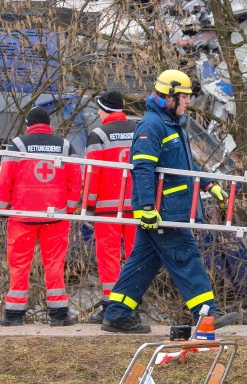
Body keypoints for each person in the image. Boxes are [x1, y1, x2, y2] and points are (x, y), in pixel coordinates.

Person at [101, 69, 237, 334]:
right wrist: (148, 208)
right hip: (164, 211)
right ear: (168, 97)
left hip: (170, 209)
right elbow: (142, 169)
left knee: (143, 261)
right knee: (185, 255)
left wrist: (209, 183)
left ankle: (117, 313)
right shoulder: (151, 127)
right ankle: (206, 312)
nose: (188, 102)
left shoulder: (173, 126)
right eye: (184, 97)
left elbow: (186, 163)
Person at [0, 106, 82, 326]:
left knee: (19, 264)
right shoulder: (64, 146)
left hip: (22, 215)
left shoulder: (17, 145)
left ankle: (14, 315)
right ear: (48, 125)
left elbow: (5, 180)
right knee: (54, 264)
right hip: (55, 216)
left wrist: (2, 210)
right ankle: (59, 314)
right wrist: (69, 209)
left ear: (28, 125)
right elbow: (75, 180)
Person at [84, 91, 138, 324]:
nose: (97, 113)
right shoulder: (139, 130)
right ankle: (133, 304)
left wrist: (88, 205)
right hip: (137, 205)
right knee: (137, 256)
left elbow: (92, 173)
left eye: (99, 109)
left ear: (105, 109)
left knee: (109, 256)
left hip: (108, 206)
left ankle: (111, 306)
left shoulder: (98, 135)